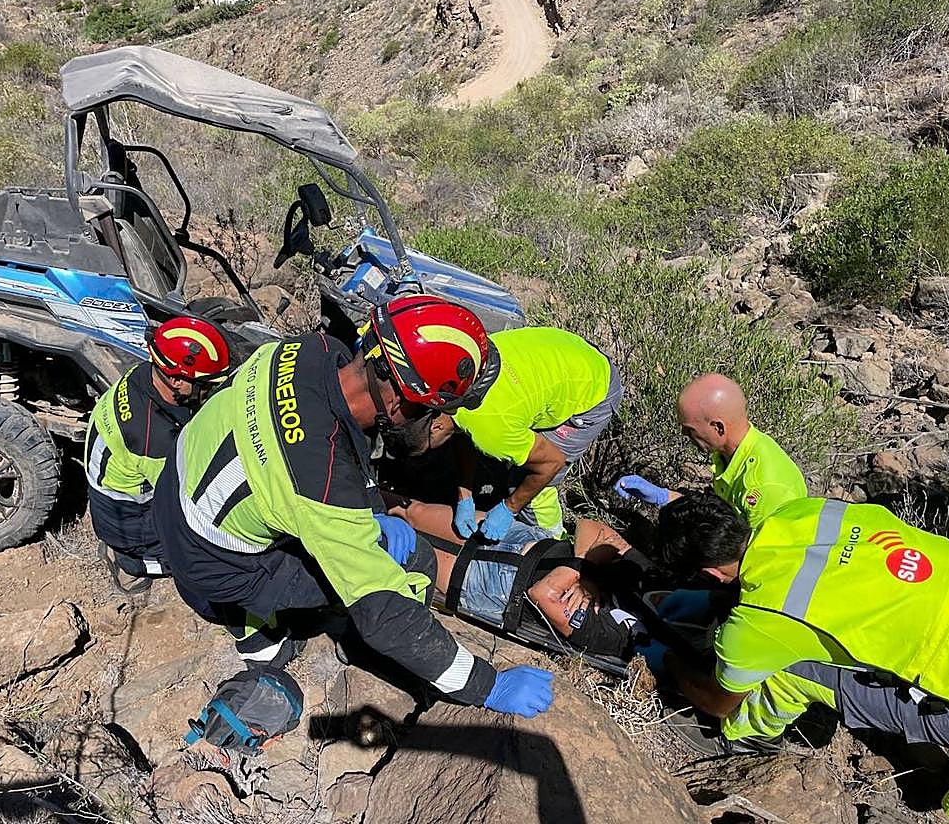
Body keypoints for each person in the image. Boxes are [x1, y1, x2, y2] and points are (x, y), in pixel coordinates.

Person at [154, 295, 554, 719]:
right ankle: (255, 626)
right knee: (411, 562)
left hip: (177, 487)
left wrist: (366, 509)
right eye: (439, 414)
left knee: (357, 532)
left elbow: (337, 445)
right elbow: (385, 613)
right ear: (400, 403)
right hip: (210, 560)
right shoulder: (318, 482)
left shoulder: (314, 349)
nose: (441, 425)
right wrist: (484, 684)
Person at [658, 491, 949, 822]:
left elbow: (720, 701)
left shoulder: (760, 621)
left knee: (790, 670)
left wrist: (675, 667)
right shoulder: (802, 511)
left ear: (708, 573)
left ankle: (747, 735)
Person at [398, 327, 623, 540]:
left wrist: (510, 507)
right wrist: (464, 494)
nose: (433, 452)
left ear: (435, 426)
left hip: (592, 389)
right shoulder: (449, 388)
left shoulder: (491, 429)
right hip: (562, 352)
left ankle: (553, 542)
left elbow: (551, 462)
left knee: (530, 484)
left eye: (430, 447)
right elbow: (462, 433)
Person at [392, 499, 643, 657]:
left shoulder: (619, 638)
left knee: (403, 546)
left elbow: (542, 593)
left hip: (493, 585)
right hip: (520, 538)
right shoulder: (648, 580)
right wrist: (583, 573)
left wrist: (585, 564)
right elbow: (590, 526)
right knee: (413, 510)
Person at [85, 316, 231, 585]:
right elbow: (185, 502)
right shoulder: (153, 441)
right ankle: (133, 563)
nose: (211, 389)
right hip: (128, 522)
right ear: (177, 381)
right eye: (207, 384)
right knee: (208, 551)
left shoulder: (145, 374)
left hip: (111, 495)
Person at [615, 373, 805, 528]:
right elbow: (720, 515)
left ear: (718, 428)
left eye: (690, 429)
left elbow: (750, 562)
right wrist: (663, 496)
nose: (683, 433)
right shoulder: (728, 453)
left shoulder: (764, 487)